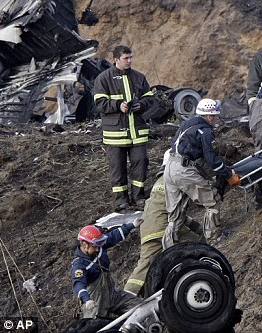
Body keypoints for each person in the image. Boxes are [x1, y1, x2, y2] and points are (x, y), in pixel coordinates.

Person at [162, 98, 240, 249]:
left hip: (169, 167)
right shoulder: (206, 131)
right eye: (215, 116)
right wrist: (229, 175)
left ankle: (169, 248)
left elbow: (175, 144)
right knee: (212, 199)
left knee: (175, 214)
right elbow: (212, 159)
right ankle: (214, 238)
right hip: (183, 170)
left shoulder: (187, 124)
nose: (216, 119)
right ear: (209, 116)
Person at [124, 150, 203, 297]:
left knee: (146, 264)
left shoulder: (162, 181)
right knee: (198, 247)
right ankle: (126, 300)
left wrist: (199, 229)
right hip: (159, 227)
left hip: (154, 224)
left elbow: (177, 214)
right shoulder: (175, 178)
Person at [94, 45, 155, 211]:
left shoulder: (139, 77)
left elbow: (149, 98)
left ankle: (139, 197)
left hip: (137, 132)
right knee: (117, 168)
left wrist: (140, 105)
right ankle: (121, 200)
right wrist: (117, 106)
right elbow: (99, 103)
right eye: (126, 58)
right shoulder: (103, 78)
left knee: (141, 162)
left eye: (130, 58)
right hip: (115, 134)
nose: (129, 61)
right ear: (116, 60)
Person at [71, 221, 142, 318]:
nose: (97, 249)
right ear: (84, 244)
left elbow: (113, 236)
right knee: (95, 327)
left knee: (141, 307)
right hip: (95, 303)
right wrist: (87, 300)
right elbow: (78, 284)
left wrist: (132, 225)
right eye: (94, 246)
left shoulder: (99, 247)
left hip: (112, 295)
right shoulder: (79, 265)